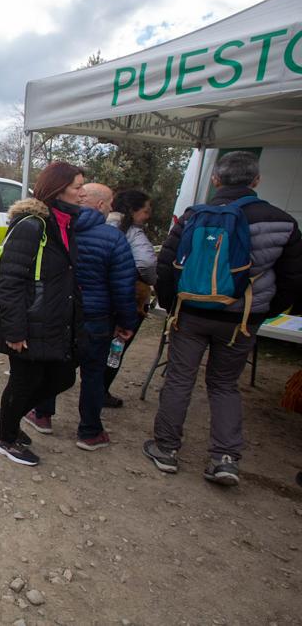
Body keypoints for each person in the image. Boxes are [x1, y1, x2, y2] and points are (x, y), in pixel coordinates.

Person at [144, 151, 302, 485]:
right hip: (242, 319)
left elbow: (167, 267)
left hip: (191, 314)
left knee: (179, 379)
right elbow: (292, 280)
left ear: (216, 179)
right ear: (256, 180)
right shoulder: (282, 222)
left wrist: (173, 307)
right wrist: (265, 312)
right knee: (225, 385)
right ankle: (224, 458)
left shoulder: (191, 216)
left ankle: (166, 448)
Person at [20, 183, 137, 451]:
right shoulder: (112, 238)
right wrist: (127, 321)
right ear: (99, 205)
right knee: (94, 374)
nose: (111, 209)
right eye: (109, 204)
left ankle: (42, 414)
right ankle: (90, 431)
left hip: (62, 314)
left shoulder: (59, 229)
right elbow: (123, 285)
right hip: (97, 317)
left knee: (55, 367)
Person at [0, 162, 85, 466]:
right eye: (78, 187)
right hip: (29, 322)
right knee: (24, 381)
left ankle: (8, 415)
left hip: (53, 321)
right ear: (59, 189)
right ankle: (6, 437)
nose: (83, 193)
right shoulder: (32, 225)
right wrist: (15, 331)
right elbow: (10, 281)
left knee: (62, 376)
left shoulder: (65, 224)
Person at [102, 189, 157, 406]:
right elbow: (146, 264)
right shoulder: (134, 234)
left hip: (99, 298)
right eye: (145, 211)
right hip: (127, 300)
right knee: (117, 347)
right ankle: (101, 390)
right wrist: (144, 278)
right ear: (133, 211)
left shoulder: (101, 225)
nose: (148, 215)